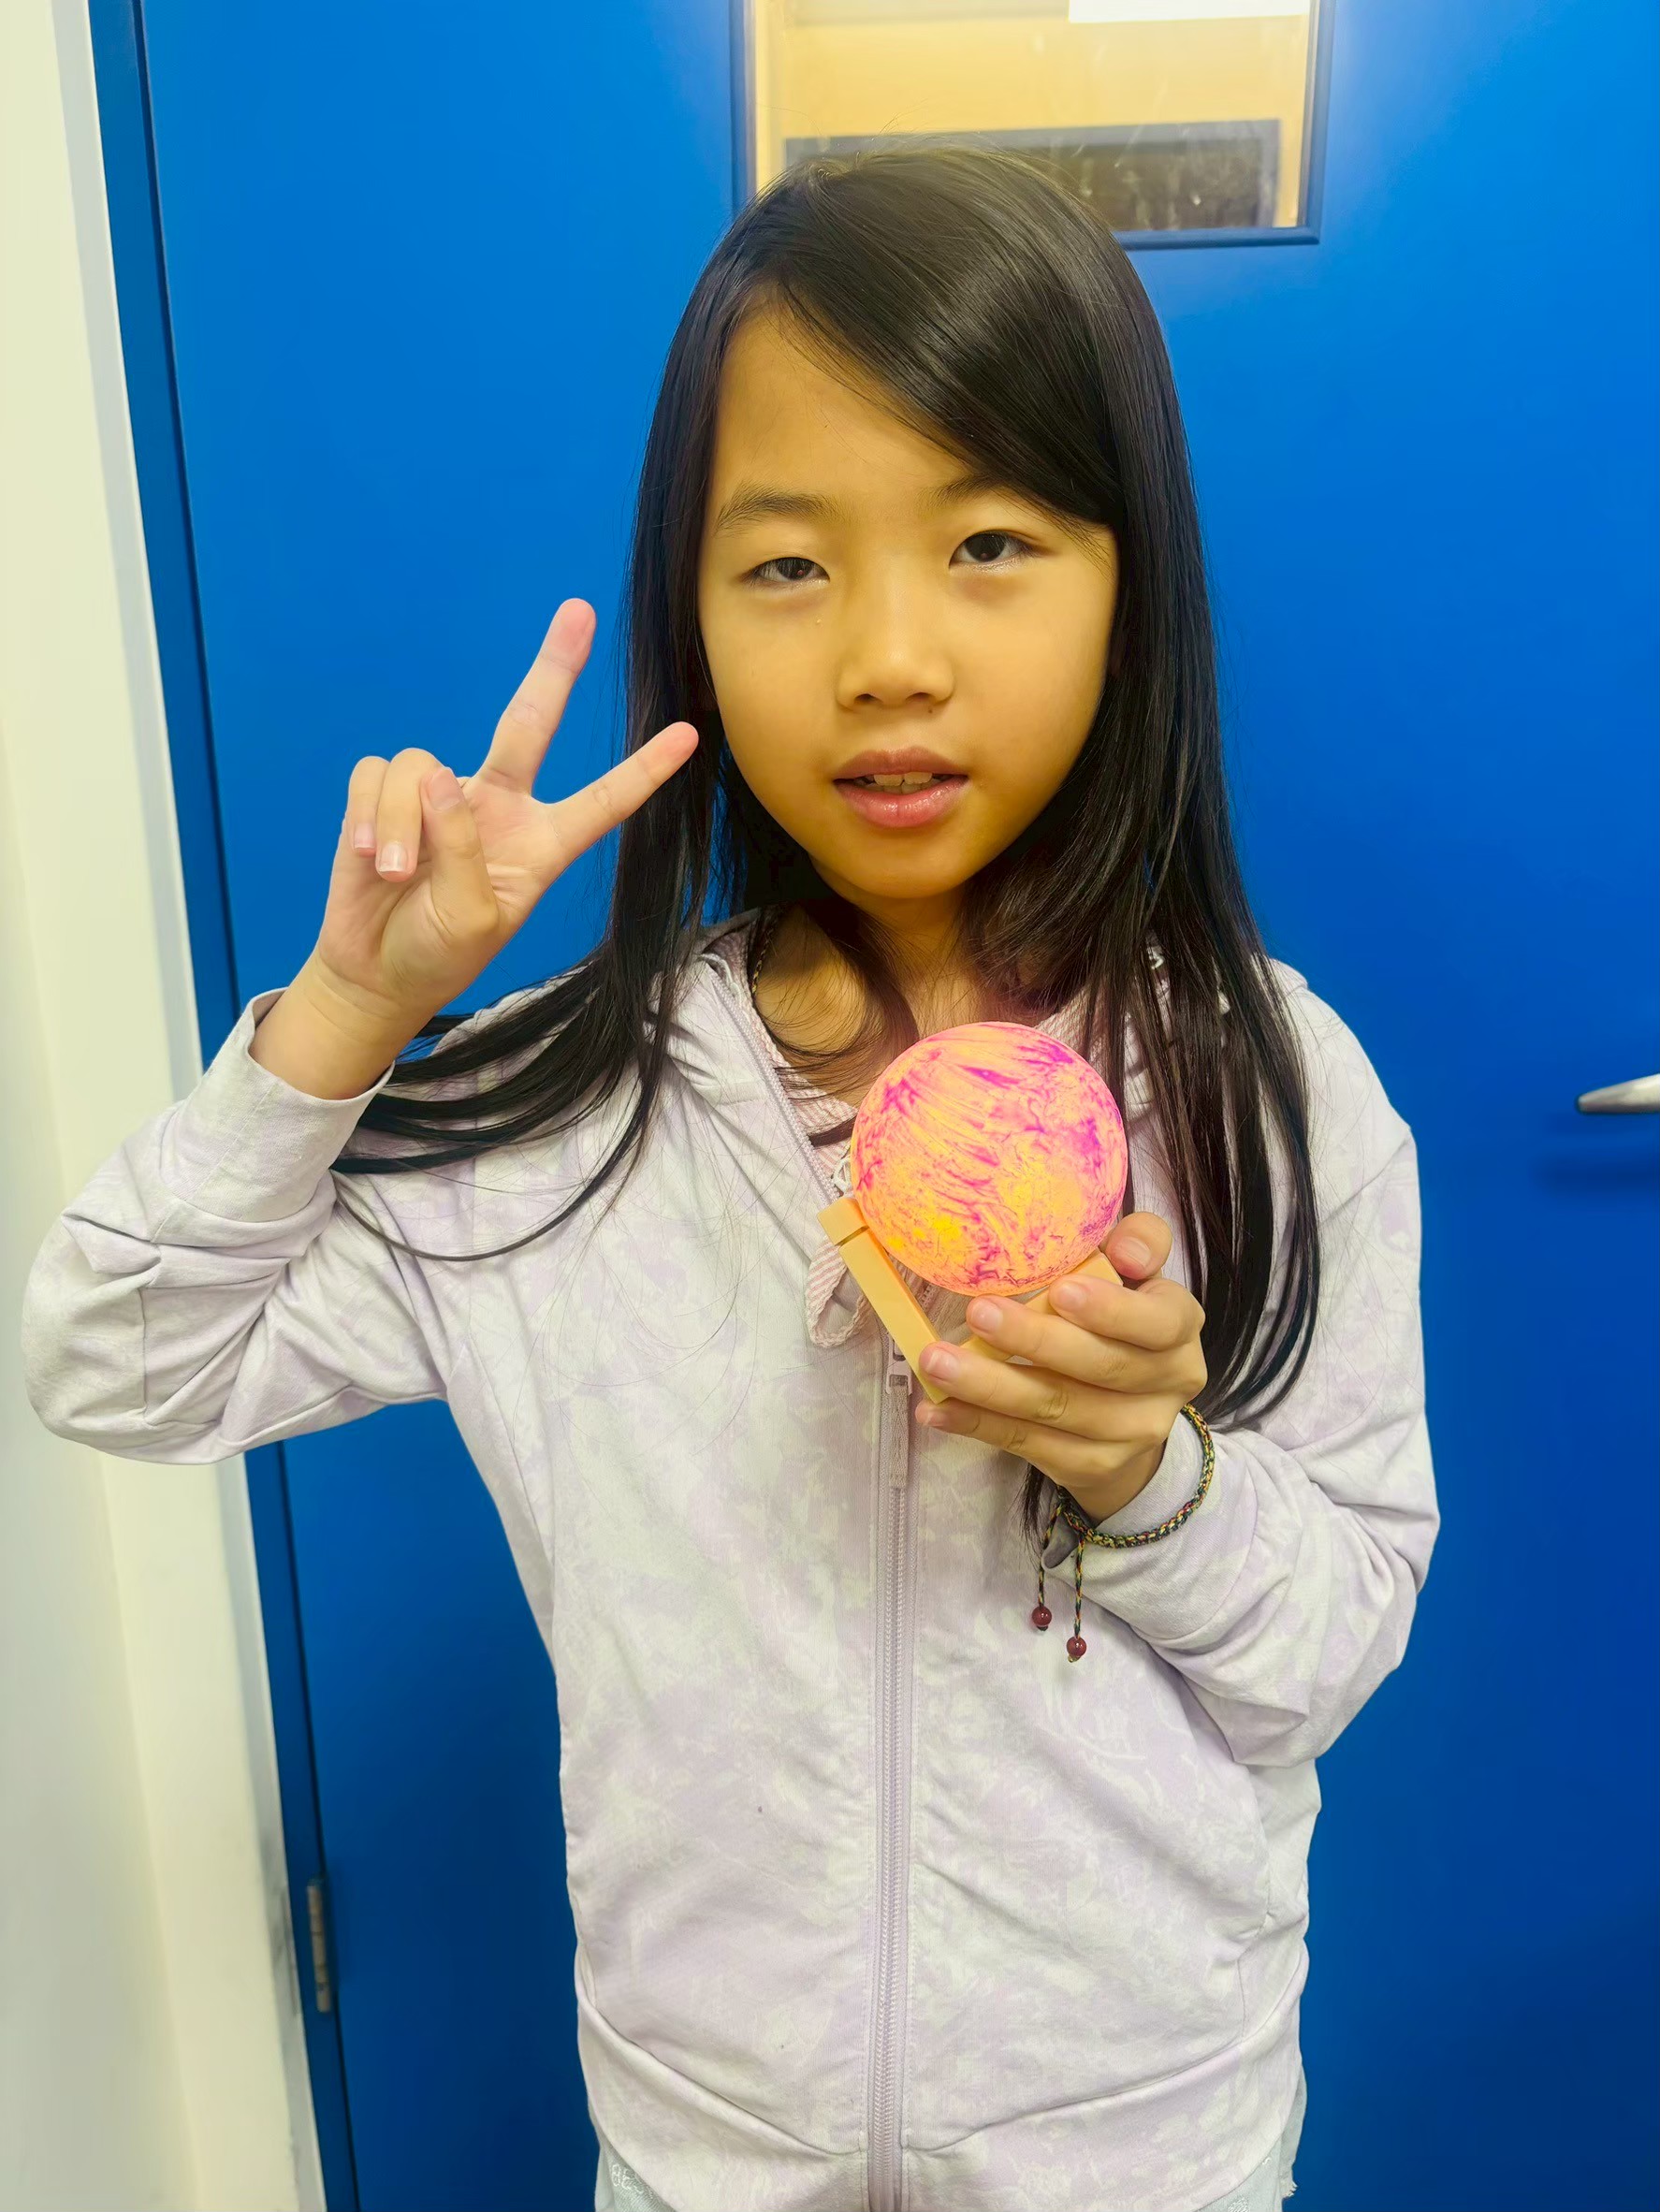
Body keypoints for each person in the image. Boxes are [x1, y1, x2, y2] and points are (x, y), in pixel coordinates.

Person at [22, 143, 1436, 2212]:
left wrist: (1151, 1473)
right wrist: (347, 1016)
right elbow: (114, 1359)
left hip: (1145, 2155)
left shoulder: (1268, 1091)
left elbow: (1331, 1650)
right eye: (784, 565)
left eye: (988, 542)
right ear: (687, 615)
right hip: (705, 2161)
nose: (887, 657)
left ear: (1128, 586)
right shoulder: (563, 1111)